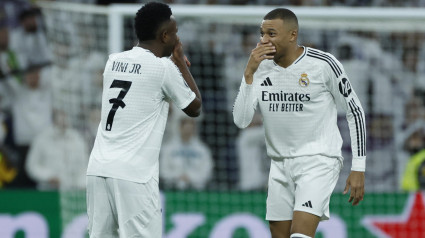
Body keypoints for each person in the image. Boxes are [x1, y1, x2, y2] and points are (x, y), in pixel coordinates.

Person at [233, 8, 366, 238]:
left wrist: (359, 167)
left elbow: (355, 111)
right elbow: (242, 121)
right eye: (262, 33)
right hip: (279, 163)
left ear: (292, 35)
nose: (263, 40)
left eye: (271, 34)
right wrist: (248, 75)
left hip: (318, 160)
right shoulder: (260, 68)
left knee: (301, 235)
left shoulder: (323, 64)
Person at [86, 2, 202, 238]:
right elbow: (195, 107)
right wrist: (180, 63)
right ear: (164, 35)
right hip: (134, 176)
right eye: (176, 32)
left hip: (98, 170)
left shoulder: (113, 61)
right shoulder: (162, 68)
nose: (178, 38)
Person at [25, 109, 88, 190]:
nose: (63, 120)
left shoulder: (77, 139)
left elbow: (84, 167)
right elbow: (31, 166)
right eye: (61, 116)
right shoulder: (41, 139)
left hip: (72, 191)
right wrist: (48, 176)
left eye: (65, 116)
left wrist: (81, 184)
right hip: (47, 191)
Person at [160, 109, 213, 190]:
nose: (188, 130)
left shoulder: (203, 150)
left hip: (197, 190)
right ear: (180, 127)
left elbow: (206, 172)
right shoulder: (168, 148)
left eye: (190, 126)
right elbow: (163, 171)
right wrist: (178, 176)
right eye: (185, 125)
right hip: (173, 189)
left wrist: (190, 178)